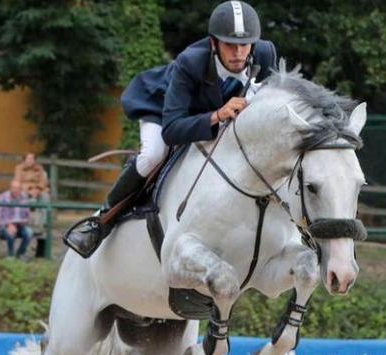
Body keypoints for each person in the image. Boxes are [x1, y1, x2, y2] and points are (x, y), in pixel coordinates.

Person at [65, 1, 278, 258]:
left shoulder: (265, 54)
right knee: (154, 154)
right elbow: (173, 129)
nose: (238, 53)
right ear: (213, 43)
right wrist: (217, 115)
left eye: (244, 45)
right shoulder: (190, 61)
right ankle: (101, 222)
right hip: (163, 108)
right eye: (229, 45)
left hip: (212, 111)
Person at [14, 153, 50, 258]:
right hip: (25, 190)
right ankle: (23, 220)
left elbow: (44, 182)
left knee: (45, 197)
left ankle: (42, 222)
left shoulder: (39, 169)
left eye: (32, 159)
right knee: (22, 196)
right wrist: (29, 189)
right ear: (24, 160)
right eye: (28, 158)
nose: (30, 160)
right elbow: (17, 182)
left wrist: (37, 189)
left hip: (37, 190)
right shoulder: (19, 169)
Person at [0, 179, 33, 259]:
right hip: (6, 226)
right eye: (14, 188)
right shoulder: (3, 197)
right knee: (10, 232)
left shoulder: (24, 197)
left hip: (21, 225)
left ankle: (20, 253)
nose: (16, 190)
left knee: (29, 232)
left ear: (20, 189)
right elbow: (0, 215)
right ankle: (10, 255)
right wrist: (9, 224)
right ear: (10, 188)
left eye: (18, 188)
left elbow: (27, 214)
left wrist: (23, 222)